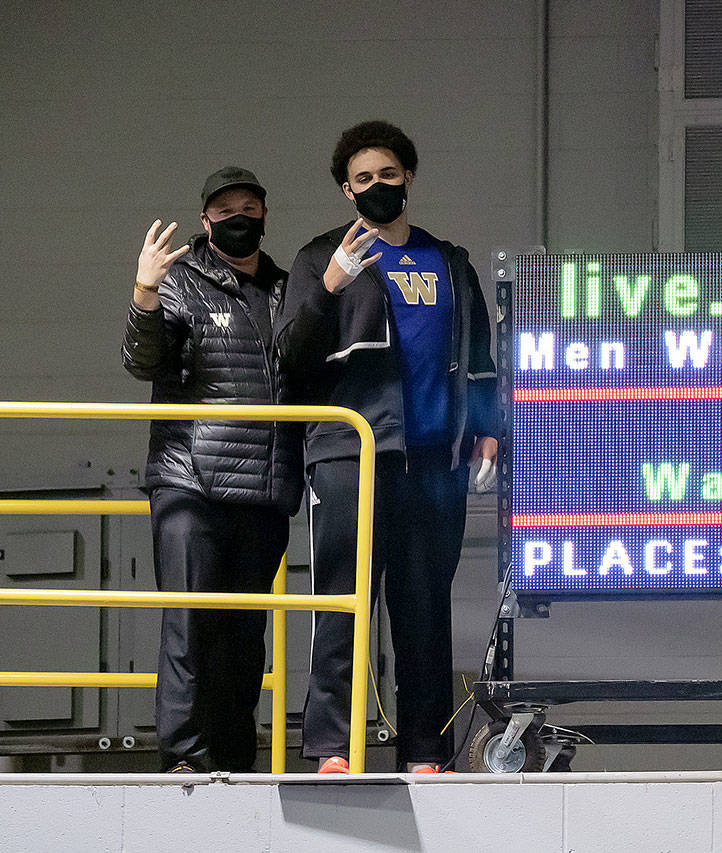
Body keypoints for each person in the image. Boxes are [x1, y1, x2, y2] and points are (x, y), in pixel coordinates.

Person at [275, 120, 499, 774]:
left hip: (435, 465)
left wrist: (488, 431)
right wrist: (330, 286)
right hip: (349, 457)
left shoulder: (449, 261)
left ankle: (425, 751)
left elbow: (481, 357)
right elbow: (286, 354)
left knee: (426, 611)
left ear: (409, 178)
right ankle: (329, 749)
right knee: (341, 604)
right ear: (347, 190)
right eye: (364, 178)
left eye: (389, 174)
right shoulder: (321, 258)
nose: (378, 185)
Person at [121, 167, 302, 772]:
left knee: (244, 640)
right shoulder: (181, 281)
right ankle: (186, 758)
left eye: (250, 207)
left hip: (264, 486)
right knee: (191, 623)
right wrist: (146, 292)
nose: (239, 218)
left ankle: (233, 757)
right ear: (206, 221)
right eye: (225, 211)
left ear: (265, 216)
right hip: (190, 481)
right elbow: (143, 361)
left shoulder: (285, 287)